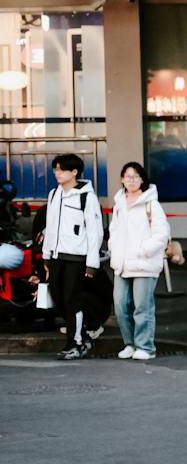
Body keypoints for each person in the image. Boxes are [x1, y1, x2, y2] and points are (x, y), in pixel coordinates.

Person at [37, 152, 104, 359]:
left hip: (77, 257)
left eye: (62, 170)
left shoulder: (87, 197)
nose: (57, 173)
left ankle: (75, 343)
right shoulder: (54, 194)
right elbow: (50, 227)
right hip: (56, 256)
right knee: (58, 298)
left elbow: (95, 232)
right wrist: (46, 255)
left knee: (71, 299)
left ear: (74, 172)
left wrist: (92, 263)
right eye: (55, 169)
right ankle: (82, 337)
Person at [108, 161, 170, 361]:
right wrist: (113, 247)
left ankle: (145, 347)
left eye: (136, 176)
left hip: (144, 263)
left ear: (142, 179)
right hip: (122, 263)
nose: (131, 180)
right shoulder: (119, 204)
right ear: (122, 179)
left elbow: (161, 233)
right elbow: (114, 230)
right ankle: (130, 343)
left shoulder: (151, 203)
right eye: (128, 176)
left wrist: (144, 250)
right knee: (120, 305)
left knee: (142, 307)